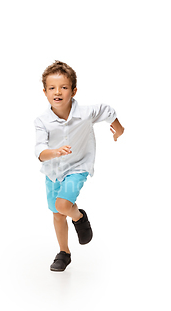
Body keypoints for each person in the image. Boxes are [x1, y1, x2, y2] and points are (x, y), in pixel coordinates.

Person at [34, 61, 125, 271]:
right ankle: (64, 252)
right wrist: (54, 152)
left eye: (64, 87)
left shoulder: (85, 113)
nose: (58, 92)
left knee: (63, 206)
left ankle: (79, 217)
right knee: (57, 214)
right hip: (53, 171)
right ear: (45, 92)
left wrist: (118, 129)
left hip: (78, 166)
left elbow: (107, 110)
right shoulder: (41, 121)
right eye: (52, 88)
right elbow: (39, 150)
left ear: (73, 91)